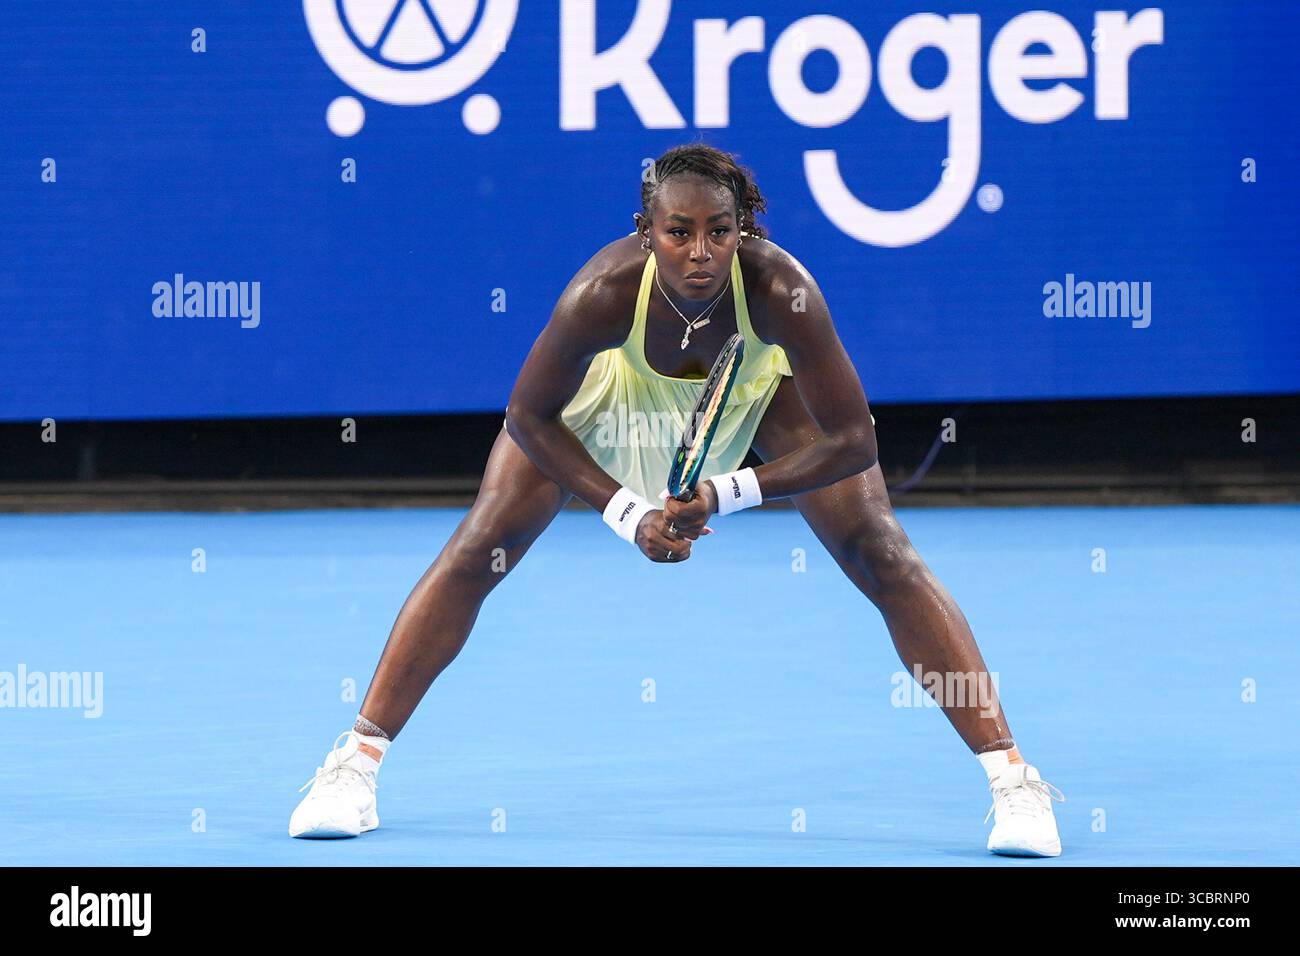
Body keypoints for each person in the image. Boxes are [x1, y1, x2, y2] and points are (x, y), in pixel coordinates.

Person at [289, 144, 1065, 857]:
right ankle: (352, 764)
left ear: (744, 231)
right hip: (603, 403)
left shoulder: (782, 293)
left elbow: (854, 439)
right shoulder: (599, 294)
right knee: (477, 547)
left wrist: (728, 492)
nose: (700, 252)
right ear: (646, 230)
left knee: (881, 549)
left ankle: (1015, 783)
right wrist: (628, 512)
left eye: (720, 232)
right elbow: (528, 416)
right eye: (679, 231)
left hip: (752, 399)